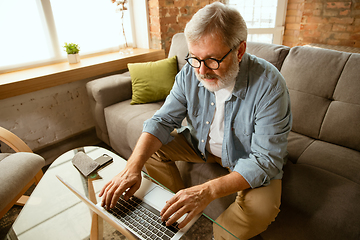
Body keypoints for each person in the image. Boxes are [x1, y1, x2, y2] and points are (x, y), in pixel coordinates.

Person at [99, 2, 292, 239]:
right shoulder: (191, 72)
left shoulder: (270, 85)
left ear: (239, 51)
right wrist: (132, 167)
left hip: (248, 157)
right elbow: (162, 121)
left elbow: (265, 160)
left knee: (261, 209)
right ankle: (178, 208)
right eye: (194, 58)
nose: (201, 71)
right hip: (202, 146)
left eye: (212, 60)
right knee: (150, 150)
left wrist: (207, 190)